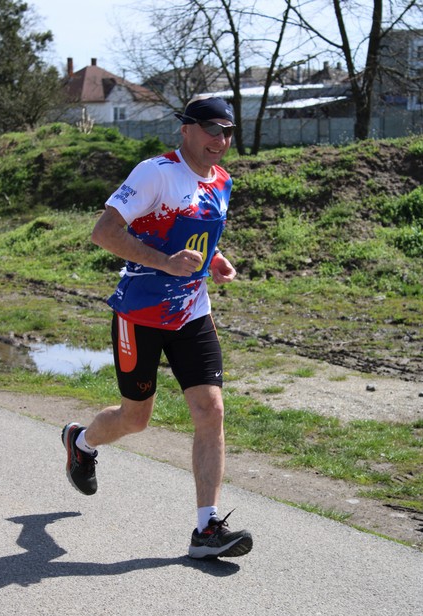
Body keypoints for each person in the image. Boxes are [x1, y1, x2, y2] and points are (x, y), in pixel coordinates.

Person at [62, 96, 253, 560]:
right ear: (185, 129)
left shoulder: (222, 180)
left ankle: (206, 529)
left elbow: (198, 234)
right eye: (211, 129)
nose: (220, 140)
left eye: (228, 131)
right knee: (136, 419)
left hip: (192, 313)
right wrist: (166, 263)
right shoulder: (156, 173)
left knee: (210, 410)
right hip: (140, 314)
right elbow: (105, 232)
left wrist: (214, 259)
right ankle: (81, 442)